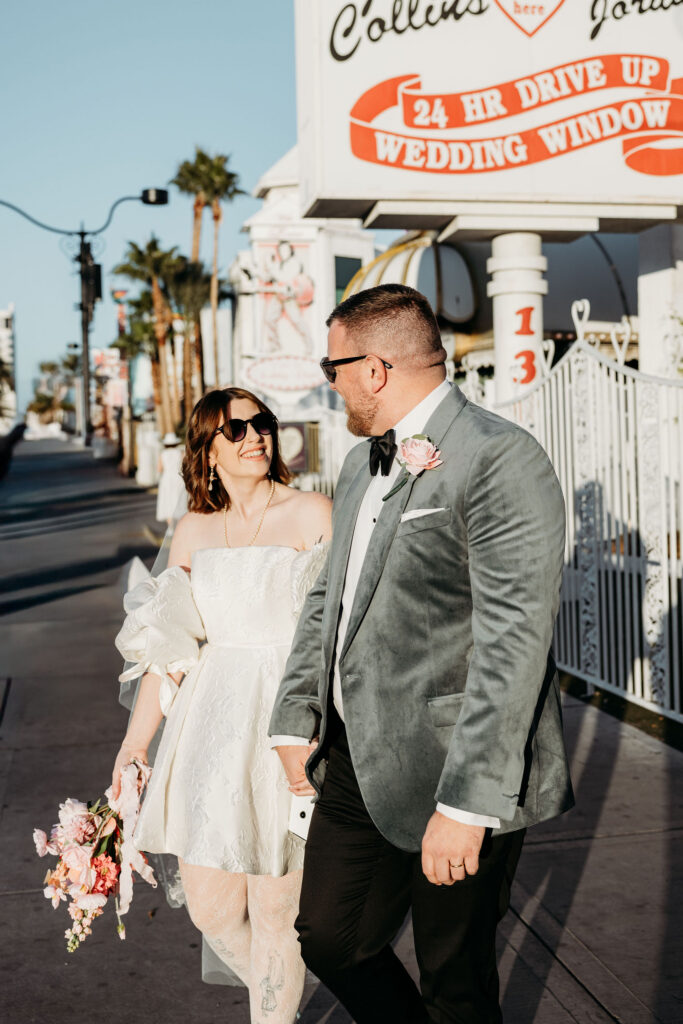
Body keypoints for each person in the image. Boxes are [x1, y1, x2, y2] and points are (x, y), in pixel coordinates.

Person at [269, 284, 574, 1023]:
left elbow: (512, 643)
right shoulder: (357, 464)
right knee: (331, 940)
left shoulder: (499, 457)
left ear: (374, 369)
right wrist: (296, 712)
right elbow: (328, 598)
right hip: (353, 758)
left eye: (333, 366)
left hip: (454, 765)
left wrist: (467, 804)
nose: (330, 381)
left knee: (453, 980)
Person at [112, 387, 332, 1024]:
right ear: (207, 450)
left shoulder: (313, 511)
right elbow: (169, 648)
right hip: (209, 729)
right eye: (235, 429)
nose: (254, 435)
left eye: (261, 423)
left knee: (276, 911)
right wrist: (134, 745)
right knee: (211, 909)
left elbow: (340, 629)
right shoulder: (194, 530)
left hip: (289, 722)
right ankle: (278, 999)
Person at [156, 432, 186, 527]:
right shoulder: (180, 453)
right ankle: (179, 525)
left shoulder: (162, 454)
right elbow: (184, 467)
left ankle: (171, 527)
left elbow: (159, 469)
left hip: (167, 479)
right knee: (178, 500)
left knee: (168, 501)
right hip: (178, 479)